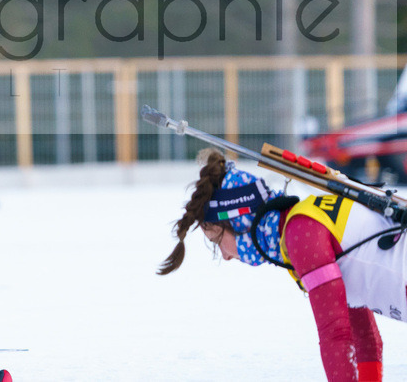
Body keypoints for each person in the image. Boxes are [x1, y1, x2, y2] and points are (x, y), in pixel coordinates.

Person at [160, 148, 398, 382]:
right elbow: (363, 337)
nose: (225, 256)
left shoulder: (301, 235)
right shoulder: (305, 222)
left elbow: (336, 335)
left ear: (239, 220)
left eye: (217, 242)